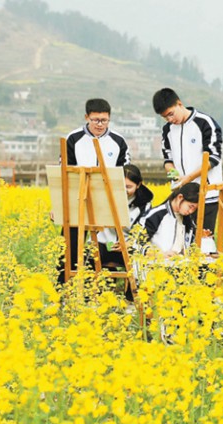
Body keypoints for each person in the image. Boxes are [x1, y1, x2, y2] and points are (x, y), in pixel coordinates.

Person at [57, 98, 131, 285]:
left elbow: (124, 175)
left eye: (104, 120)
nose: (100, 124)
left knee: (105, 251)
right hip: (76, 204)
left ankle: (104, 291)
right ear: (86, 117)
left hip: (107, 206)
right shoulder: (73, 139)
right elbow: (63, 175)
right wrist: (58, 206)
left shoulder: (118, 141)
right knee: (68, 251)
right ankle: (62, 292)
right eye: (95, 120)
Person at [152, 88, 222, 250]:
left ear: (179, 104)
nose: (170, 120)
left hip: (205, 194)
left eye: (171, 114)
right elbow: (168, 159)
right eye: (165, 117)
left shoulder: (205, 122)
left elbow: (213, 158)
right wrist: (173, 173)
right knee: (174, 242)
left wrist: (189, 178)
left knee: (203, 243)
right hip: (180, 195)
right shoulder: (168, 130)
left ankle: (204, 276)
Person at [98, 164, 154, 267]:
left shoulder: (144, 205)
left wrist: (128, 244)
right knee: (88, 256)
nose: (124, 190)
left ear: (138, 185)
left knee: (141, 261)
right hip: (104, 244)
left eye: (128, 187)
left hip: (128, 248)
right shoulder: (106, 197)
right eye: (121, 185)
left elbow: (143, 230)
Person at [139, 183, 200, 257]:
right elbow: (136, 242)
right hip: (157, 263)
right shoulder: (157, 214)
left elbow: (189, 244)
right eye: (190, 206)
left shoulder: (188, 219)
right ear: (180, 197)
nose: (191, 211)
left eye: (194, 209)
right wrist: (158, 254)